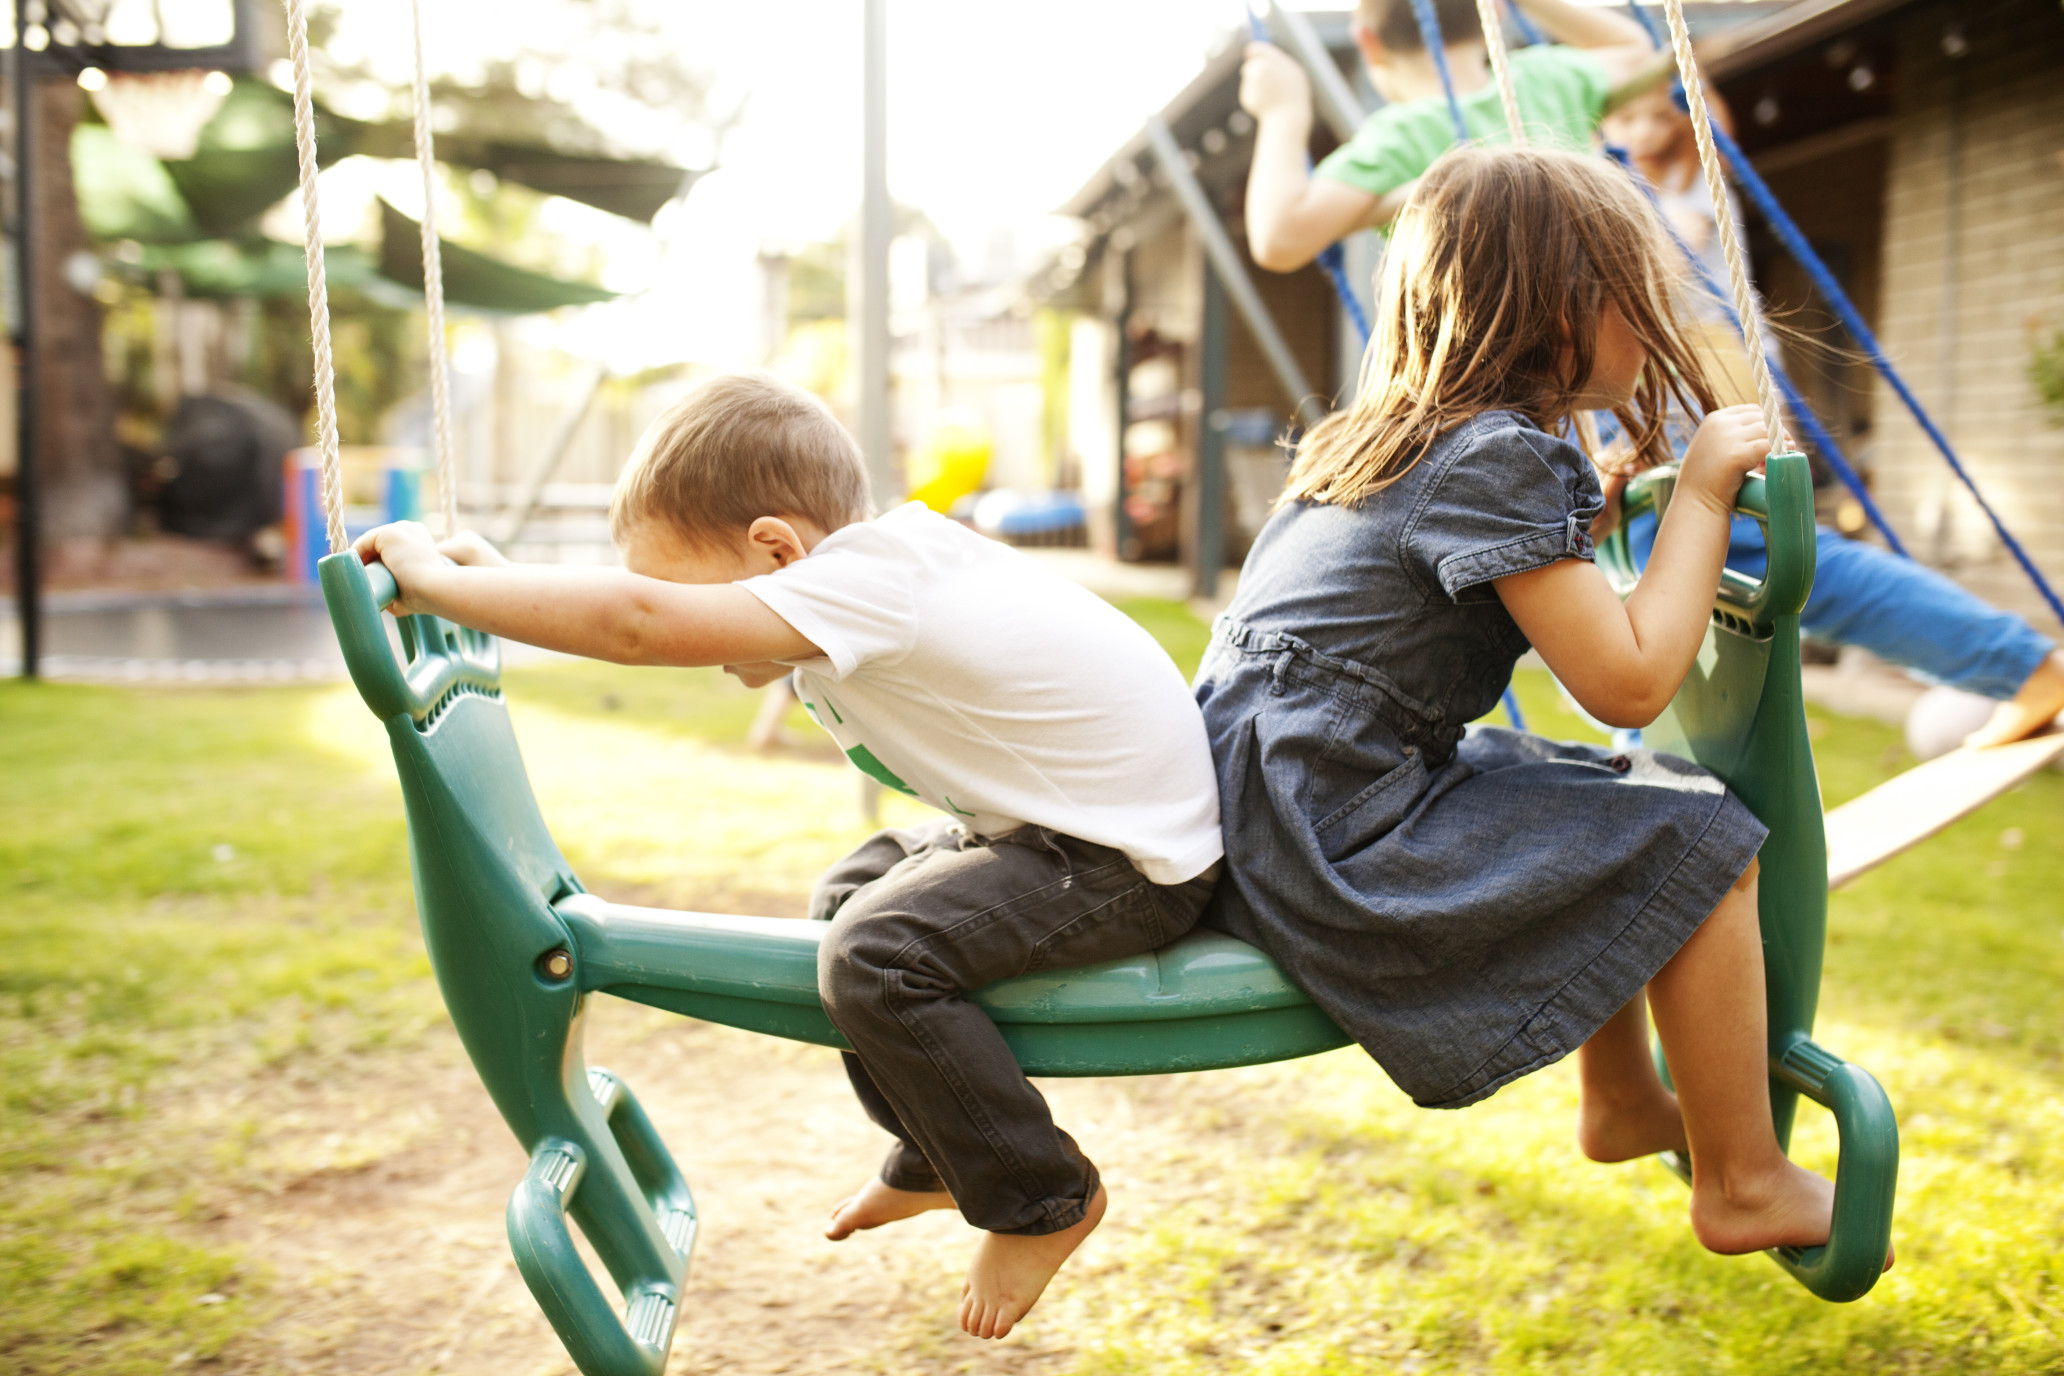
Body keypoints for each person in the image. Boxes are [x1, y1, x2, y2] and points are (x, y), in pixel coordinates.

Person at [354, 372, 1224, 1341]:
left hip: (1130, 860)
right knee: (846, 893)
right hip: (1060, 821)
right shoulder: (873, 569)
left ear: (777, 549)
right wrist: (496, 581)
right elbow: (636, 603)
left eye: (683, 590)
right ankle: (932, 1150)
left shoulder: (866, 581)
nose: (697, 633)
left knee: (876, 954)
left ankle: (1043, 1193)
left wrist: (442, 583)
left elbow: (636, 624)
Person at [1195, 147, 1873, 1260]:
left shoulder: (1401, 437)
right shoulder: (1494, 458)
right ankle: (1744, 1177)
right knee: (1698, 838)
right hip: (1331, 830)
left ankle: (1619, 1101)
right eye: (1634, 297)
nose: (1653, 326)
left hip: (1271, 796)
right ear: (1560, 312)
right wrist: (1700, 489)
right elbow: (1630, 676)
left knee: (1586, 788)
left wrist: (1588, 531)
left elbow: (1475, 595)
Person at [1603, 84, 2064, 746]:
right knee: (1674, 560)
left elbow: (1664, 266)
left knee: (1756, 557)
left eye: (1653, 118)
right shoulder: (1637, 185)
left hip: (1695, 374)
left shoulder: (1693, 185)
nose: (1637, 133)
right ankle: (1651, 758)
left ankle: (2021, 666)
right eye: (1623, 120)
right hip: (1666, 378)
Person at [1239, 0, 1657, 271]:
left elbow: (1280, 239)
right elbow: (1637, 47)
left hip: (1497, 379)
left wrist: (1283, 114)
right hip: (1616, 361)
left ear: (1368, 43)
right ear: (1495, 14)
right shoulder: (1545, 78)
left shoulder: (1399, 136)